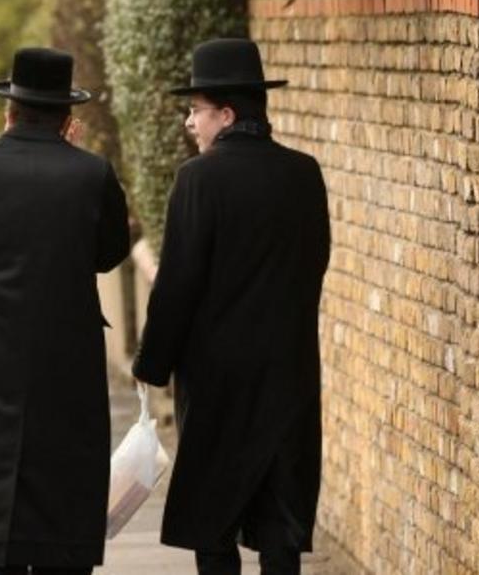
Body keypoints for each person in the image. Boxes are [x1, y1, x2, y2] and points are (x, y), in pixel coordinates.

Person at [0, 47, 130, 575]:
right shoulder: (92, 173)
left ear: (9, 109)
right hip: (70, 356)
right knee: (66, 479)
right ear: (67, 117)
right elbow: (108, 253)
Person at [132, 38, 331, 575]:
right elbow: (315, 263)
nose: (189, 122)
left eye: (196, 110)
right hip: (289, 372)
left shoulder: (198, 178)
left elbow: (177, 284)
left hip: (217, 379)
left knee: (213, 517)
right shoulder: (304, 172)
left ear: (226, 114)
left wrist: (152, 362)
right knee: (281, 519)